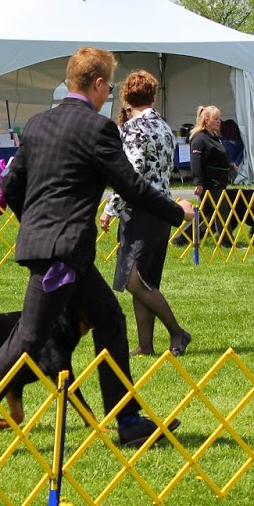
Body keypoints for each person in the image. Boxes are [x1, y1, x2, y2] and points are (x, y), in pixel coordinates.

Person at [0, 48, 195, 457]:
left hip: (58, 248)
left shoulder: (37, 124)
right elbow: (130, 187)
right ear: (98, 84)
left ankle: (128, 419)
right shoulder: (97, 129)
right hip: (63, 251)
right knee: (28, 336)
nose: (110, 95)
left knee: (110, 319)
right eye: (110, 87)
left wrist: (33, 227)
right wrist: (178, 211)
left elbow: (10, 187)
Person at [99, 71, 190, 357]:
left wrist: (110, 209)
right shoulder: (164, 126)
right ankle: (145, 345)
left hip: (141, 211)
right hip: (163, 208)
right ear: (153, 95)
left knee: (132, 279)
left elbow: (132, 174)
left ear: (127, 97)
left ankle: (177, 331)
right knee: (146, 280)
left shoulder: (133, 129)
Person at [189, 105, 234, 246]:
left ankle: (183, 239)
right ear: (206, 120)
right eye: (216, 119)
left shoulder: (214, 137)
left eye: (219, 118)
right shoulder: (199, 138)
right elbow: (195, 162)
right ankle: (226, 242)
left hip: (219, 181)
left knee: (203, 213)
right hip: (210, 182)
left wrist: (229, 164)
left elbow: (217, 157)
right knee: (223, 210)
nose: (219, 121)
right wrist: (198, 182)